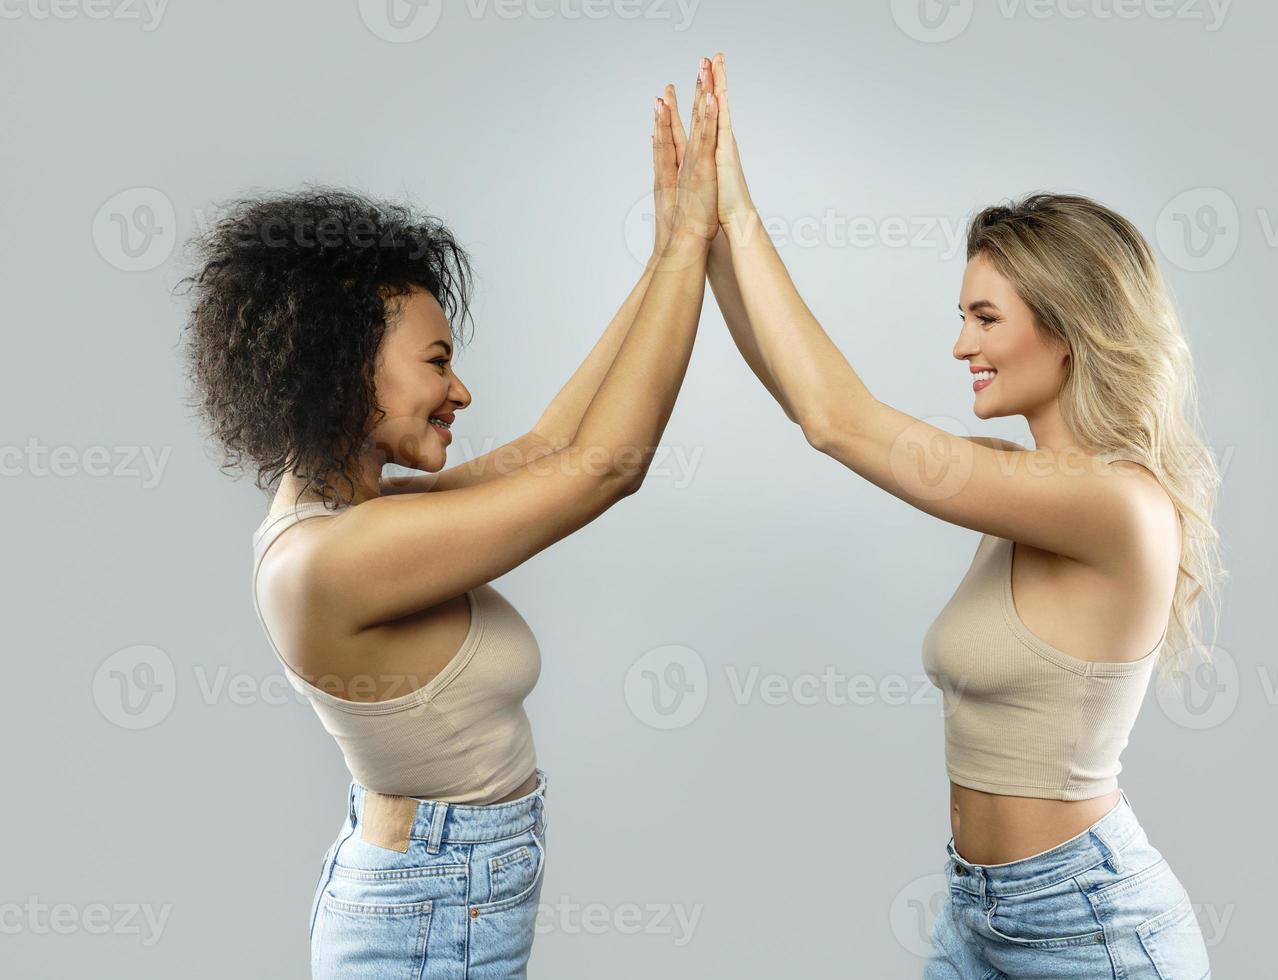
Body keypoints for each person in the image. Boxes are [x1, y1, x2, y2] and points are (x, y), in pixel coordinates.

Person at [177, 57, 722, 978]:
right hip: (427, 918)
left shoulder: (356, 513)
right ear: (347, 368)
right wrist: (686, 252)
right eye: (437, 362)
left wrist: (667, 256)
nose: (460, 389)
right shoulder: (331, 560)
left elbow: (556, 444)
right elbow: (605, 471)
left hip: (437, 898)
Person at [690, 52, 1220, 979]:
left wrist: (739, 210)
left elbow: (838, 421)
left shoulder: (1114, 505)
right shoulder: (1023, 486)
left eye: (984, 318)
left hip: (1088, 931)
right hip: (978, 918)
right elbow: (802, 398)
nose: (959, 345)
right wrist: (704, 243)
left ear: (1066, 325)